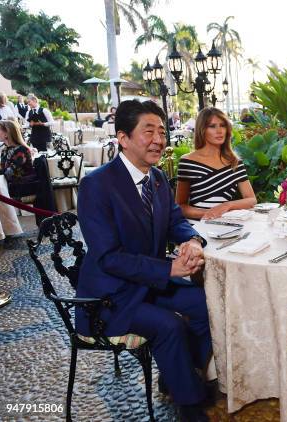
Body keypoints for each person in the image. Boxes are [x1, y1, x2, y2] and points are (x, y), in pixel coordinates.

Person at [76, 100, 212, 422]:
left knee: (209, 303)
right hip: (111, 296)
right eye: (148, 131)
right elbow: (109, 257)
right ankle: (189, 404)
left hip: (149, 284)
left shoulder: (158, 179)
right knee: (170, 326)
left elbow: (175, 221)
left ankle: (178, 374)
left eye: (162, 132)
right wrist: (170, 268)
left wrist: (191, 240)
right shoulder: (96, 185)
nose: (159, 140)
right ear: (123, 138)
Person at [176, 107, 257, 219]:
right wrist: (209, 214)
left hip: (227, 226)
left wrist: (227, 206)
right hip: (198, 226)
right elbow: (180, 206)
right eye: (212, 126)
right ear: (202, 130)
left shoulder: (234, 162)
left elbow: (251, 199)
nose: (219, 131)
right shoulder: (188, 161)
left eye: (222, 125)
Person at [0, 119, 35, 184]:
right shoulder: (4, 150)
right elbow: (3, 170)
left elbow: (9, 173)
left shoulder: (21, 150)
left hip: (22, 188)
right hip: (10, 186)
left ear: (6, 134)